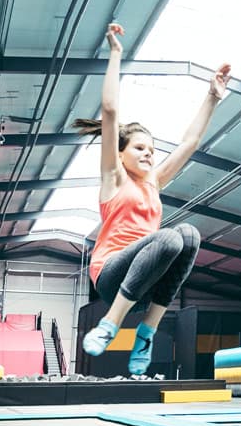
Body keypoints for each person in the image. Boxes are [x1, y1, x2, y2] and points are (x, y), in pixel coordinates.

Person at [76, 22, 230, 375]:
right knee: (170, 236)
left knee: (189, 234)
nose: (149, 154)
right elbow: (110, 111)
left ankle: (147, 332)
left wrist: (212, 97)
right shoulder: (113, 178)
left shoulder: (154, 182)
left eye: (153, 149)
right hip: (111, 276)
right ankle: (110, 325)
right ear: (122, 152)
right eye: (140, 148)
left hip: (144, 281)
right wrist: (115, 54)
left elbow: (190, 142)